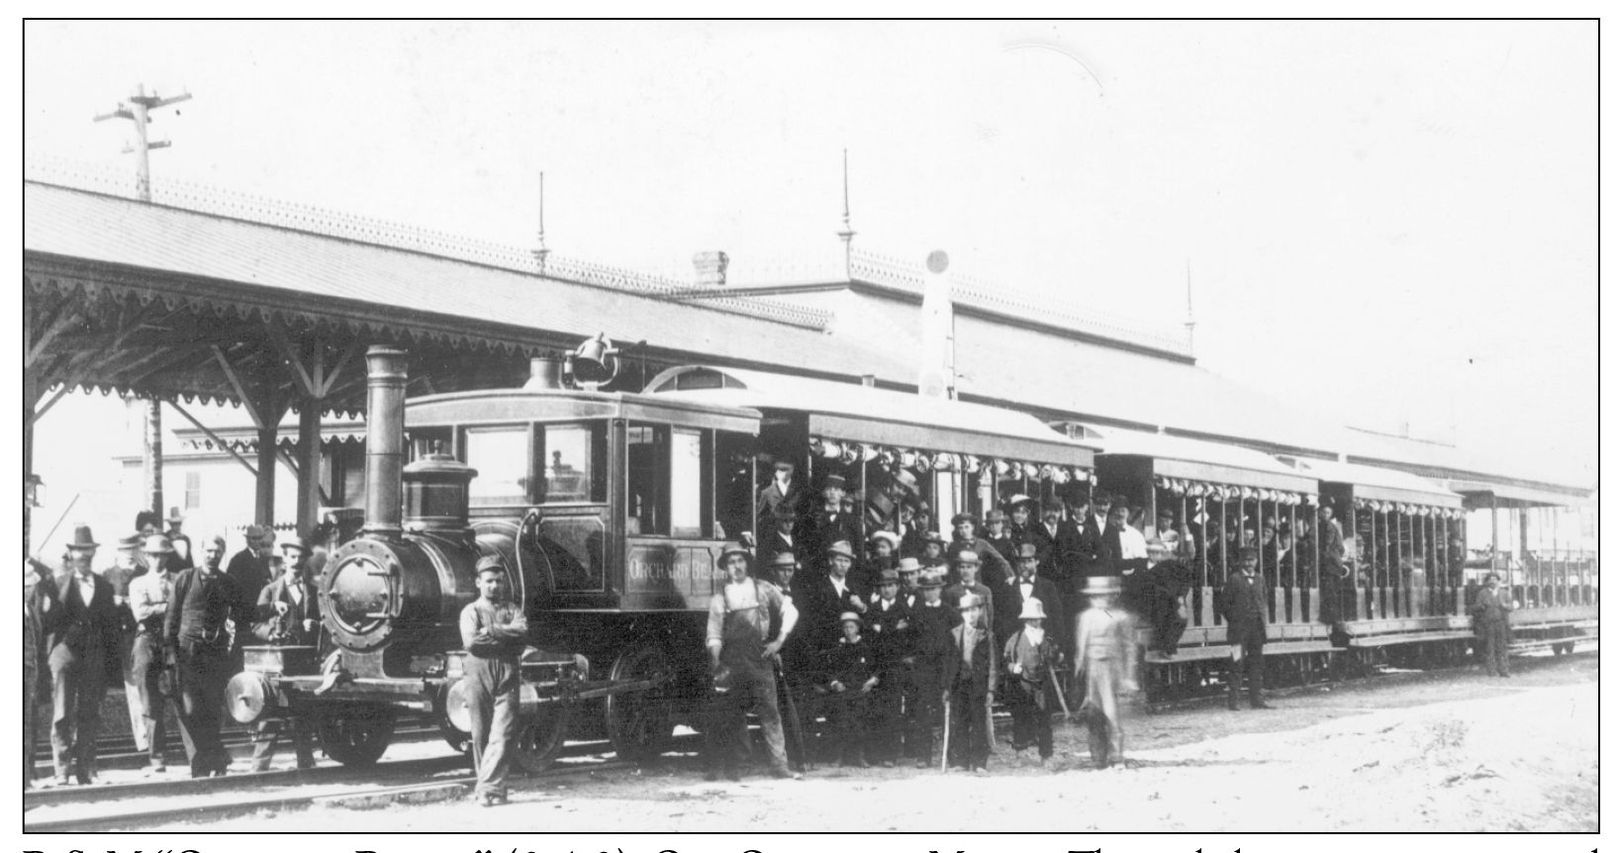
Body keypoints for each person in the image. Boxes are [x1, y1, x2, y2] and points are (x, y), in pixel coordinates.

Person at [703, 545, 799, 781]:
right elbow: (714, 635)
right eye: (731, 562)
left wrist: (778, 641)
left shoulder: (763, 589)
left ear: (747, 563)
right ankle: (741, 764)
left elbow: (791, 611)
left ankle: (779, 766)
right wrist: (716, 662)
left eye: (740, 561)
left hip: (760, 659)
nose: (737, 566)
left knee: (770, 713)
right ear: (725, 567)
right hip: (732, 662)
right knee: (734, 715)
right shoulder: (720, 597)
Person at [46, 524, 123, 786]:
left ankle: (87, 769)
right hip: (65, 653)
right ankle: (62, 769)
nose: (84, 556)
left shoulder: (103, 586)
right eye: (79, 551)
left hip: (93, 655)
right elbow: (49, 621)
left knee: (90, 712)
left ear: (93, 553)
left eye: (88, 551)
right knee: (62, 712)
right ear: (71, 553)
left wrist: (112, 665)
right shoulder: (58, 583)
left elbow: (111, 626)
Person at [167, 535, 244, 777]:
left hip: (215, 654)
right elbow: (171, 618)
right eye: (209, 550)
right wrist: (170, 654)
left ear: (223, 553)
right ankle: (212, 757)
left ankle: (209, 765)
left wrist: (273, 608)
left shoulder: (228, 582)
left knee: (211, 709)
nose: (213, 555)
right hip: (187, 653)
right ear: (202, 551)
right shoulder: (185, 578)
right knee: (190, 710)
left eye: (217, 551)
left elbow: (245, 611)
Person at [459, 556, 529, 806]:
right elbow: (471, 643)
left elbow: (522, 632)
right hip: (478, 672)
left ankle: (488, 788)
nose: (494, 586)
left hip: (508, 671)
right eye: (489, 581)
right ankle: (490, 789)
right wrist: (506, 637)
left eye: (499, 581)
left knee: (504, 733)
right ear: (479, 582)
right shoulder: (471, 611)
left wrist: (491, 631)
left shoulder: (513, 610)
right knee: (480, 734)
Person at [248, 536, 320, 772]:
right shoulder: (269, 591)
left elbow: (326, 623)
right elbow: (254, 625)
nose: (296, 561)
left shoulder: (313, 591)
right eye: (292, 557)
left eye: (300, 557)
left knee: (304, 713)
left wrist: (314, 625)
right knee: (270, 713)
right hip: (277, 662)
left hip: (305, 661)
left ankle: (306, 764)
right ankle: (259, 767)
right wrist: (271, 633)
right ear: (285, 560)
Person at [1074, 575, 1138, 767]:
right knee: (1093, 713)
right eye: (1095, 596)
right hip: (1092, 668)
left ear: (1112, 596)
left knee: (1112, 713)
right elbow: (1080, 647)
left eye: (1103, 595)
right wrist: (1078, 670)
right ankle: (1098, 756)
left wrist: (1129, 676)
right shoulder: (1085, 617)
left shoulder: (1120, 617)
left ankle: (1117, 755)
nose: (1099, 599)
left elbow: (1129, 647)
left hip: (1112, 669)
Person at [128, 536, 179, 773]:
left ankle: (195, 752)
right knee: (150, 700)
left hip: (172, 642)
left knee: (182, 695)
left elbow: (184, 610)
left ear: (168, 556)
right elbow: (142, 613)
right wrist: (169, 606)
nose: (158, 559)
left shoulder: (178, 581)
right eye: (153, 555)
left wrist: (161, 608)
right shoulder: (137, 583)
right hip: (147, 642)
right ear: (146, 557)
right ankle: (157, 756)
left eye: (162, 555)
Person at [904, 572, 959, 769]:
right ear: (922, 592)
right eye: (926, 590)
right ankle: (923, 756)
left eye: (934, 589)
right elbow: (909, 639)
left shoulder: (950, 613)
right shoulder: (916, 613)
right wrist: (911, 657)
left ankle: (952, 755)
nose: (931, 593)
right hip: (924, 669)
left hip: (944, 668)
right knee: (923, 713)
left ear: (940, 589)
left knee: (948, 712)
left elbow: (957, 642)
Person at [1002, 598, 1065, 765]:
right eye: (1031, 619)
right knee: (1021, 718)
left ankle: (1046, 756)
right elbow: (1005, 660)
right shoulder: (1015, 639)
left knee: (1044, 720)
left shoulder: (1047, 638)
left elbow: (1055, 657)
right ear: (1025, 620)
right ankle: (1020, 754)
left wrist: (1056, 655)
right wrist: (1012, 667)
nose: (1034, 622)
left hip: (1042, 684)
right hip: (1022, 683)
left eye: (1037, 618)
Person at [814, 612, 877, 767]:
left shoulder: (865, 647)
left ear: (857, 629)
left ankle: (860, 756)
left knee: (860, 722)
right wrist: (835, 683)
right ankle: (839, 756)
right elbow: (828, 670)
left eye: (851, 627)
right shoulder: (837, 649)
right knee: (840, 721)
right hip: (843, 691)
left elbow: (876, 668)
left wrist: (872, 681)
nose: (848, 630)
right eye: (846, 627)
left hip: (861, 690)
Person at [943, 592, 996, 773]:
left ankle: (979, 763)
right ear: (961, 613)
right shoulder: (954, 633)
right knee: (959, 722)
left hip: (978, 685)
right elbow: (949, 662)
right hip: (959, 684)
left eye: (974, 610)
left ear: (980, 611)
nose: (970, 614)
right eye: (966, 611)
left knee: (979, 723)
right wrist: (947, 687)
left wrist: (991, 690)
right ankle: (961, 761)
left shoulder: (987, 635)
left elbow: (993, 665)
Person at [864, 568, 911, 767]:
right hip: (875, 666)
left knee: (892, 709)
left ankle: (890, 754)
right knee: (876, 708)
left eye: (891, 585)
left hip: (894, 666)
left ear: (897, 587)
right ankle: (876, 753)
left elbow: (905, 637)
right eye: (883, 586)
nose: (887, 590)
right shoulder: (872, 609)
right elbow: (869, 637)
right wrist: (892, 630)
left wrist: (882, 630)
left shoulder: (904, 609)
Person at [110, 533, 150, 751]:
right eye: (125, 550)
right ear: (118, 552)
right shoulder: (108, 575)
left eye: (132, 550)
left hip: (136, 637)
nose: (129, 554)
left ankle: (143, 739)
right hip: (113, 640)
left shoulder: (144, 573)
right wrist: (114, 603)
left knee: (137, 686)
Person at [1219, 546, 1271, 710]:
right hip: (1238, 631)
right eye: (1246, 560)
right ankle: (1233, 702)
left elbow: (1264, 601)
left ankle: (1257, 701)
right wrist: (1235, 620)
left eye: (1252, 560)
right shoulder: (1234, 579)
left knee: (1256, 664)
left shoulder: (1260, 579)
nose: (1249, 564)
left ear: (1256, 561)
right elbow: (1224, 605)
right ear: (1240, 562)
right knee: (1236, 663)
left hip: (1256, 629)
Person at [24, 558, 61, 789]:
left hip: (31, 673)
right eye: (27, 586)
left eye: (31, 586)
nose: (30, 590)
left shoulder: (30, 609)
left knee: (29, 723)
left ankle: (27, 777)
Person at [998, 542, 1065, 658]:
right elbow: (1002, 619)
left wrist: (1057, 646)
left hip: (1042, 648)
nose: (1025, 565)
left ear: (1037, 562)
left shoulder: (1048, 586)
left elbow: (1057, 617)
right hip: (1016, 650)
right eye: (1022, 562)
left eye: (1029, 561)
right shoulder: (1008, 587)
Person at [1142, 539, 1195, 656]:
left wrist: (1180, 596)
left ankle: (1168, 646)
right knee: (1172, 612)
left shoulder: (1170, 567)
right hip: (1152, 604)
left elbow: (1185, 580)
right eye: (1151, 552)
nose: (1154, 555)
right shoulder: (1140, 566)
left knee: (1180, 617)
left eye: (1158, 552)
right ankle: (1167, 647)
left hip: (1169, 603)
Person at [800, 475, 860, 568]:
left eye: (836, 489)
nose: (832, 492)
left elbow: (857, 549)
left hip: (843, 569)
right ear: (823, 492)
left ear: (843, 493)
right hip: (817, 568)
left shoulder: (852, 520)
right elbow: (805, 546)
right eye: (829, 489)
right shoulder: (811, 518)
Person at [944, 550, 995, 646]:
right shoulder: (951, 592)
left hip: (980, 639)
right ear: (958, 569)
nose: (966, 571)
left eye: (969, 567)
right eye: (962, 567)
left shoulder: (984, 591)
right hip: (958, 640)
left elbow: (989, 616)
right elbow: (948, 619)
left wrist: (986, 636)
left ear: (976, 568)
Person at [946, 513, 1011, 589]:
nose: (964, 530)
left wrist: (1010, 575)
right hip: (958, 584)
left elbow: (1001, 560)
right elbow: (949, 565)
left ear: (972, 527)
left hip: (976, 584)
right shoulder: (953, 546)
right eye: (960, 528)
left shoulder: (981, 543)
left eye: (967, 527)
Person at [1470, 572, 1513, 678]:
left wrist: (1505, 605)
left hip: (1501, 623)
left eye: (1495, 579)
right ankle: (1492, 672)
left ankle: (1504, 671)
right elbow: (1475, 607)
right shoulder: (1482, 593)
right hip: (1488, 625)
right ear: (1487, 581)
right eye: (1490, 579)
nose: (1493, 581)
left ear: (1498, 581)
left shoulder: (1504, 593)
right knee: (1490, 648)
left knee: (1502, 648)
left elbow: (1511, 607)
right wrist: (1482, 606)